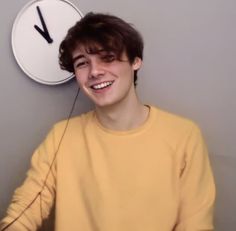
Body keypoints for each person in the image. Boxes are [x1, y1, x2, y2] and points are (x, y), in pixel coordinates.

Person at [0, 12, 215, 231]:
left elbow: (195, 224)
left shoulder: (185, 136)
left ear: (135, 61)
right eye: (82, 63)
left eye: (108, 58)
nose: (94, 72)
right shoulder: (61, 136)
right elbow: (24, 211)